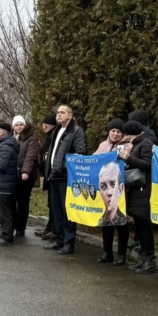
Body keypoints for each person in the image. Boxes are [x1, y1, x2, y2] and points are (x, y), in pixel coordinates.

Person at [44, 104, 87, 255]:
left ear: (70, 115)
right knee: (56, 210)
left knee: (67, 210)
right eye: (58, 113)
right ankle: (59, 239)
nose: (59, 115)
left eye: (62, 112)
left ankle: (69, 243)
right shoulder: (57, 130)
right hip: (53, 176)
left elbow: (80, 153)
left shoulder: (76, 131)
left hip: (66, 177)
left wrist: (61, 167)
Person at [121, 119, 157, 273]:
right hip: (137, 190)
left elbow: (148, 164)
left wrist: (128, 158)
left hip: (144, 190)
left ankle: (150, 260)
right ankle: (143, 258)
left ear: (129, 133)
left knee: (144, 226)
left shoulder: (145, 144)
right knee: (140, 226)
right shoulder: (138, 144)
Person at [94, 118, 129, 264]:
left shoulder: (128, 146)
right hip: (105, 187)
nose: (115, 134)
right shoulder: (103, 145)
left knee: (121, 223)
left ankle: (121, 254)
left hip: (121, 188)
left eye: (118, 131)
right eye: (113, 131)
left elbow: (129, 162)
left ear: (123, 133)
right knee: (106, 221)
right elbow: (94, 160)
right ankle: (107, 252)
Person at [13, 116, 40, 237]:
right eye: (16, 125)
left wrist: (25, 172)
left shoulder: (31, 139)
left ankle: (21, 227)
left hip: (26, 175)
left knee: (23, 201)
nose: (19, 127)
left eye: (21, 124)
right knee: (13, 200)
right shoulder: (13, 138)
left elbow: (30, 156)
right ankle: (14, 224)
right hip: (14, 173)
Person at [39, 114, 58, 241]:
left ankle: (53, 229)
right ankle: (50, 228)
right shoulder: (51, 136)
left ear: (45, 126)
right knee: (51, 203)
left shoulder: (52, 137)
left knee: (53, 204)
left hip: (52, 174)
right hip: (50, 174)